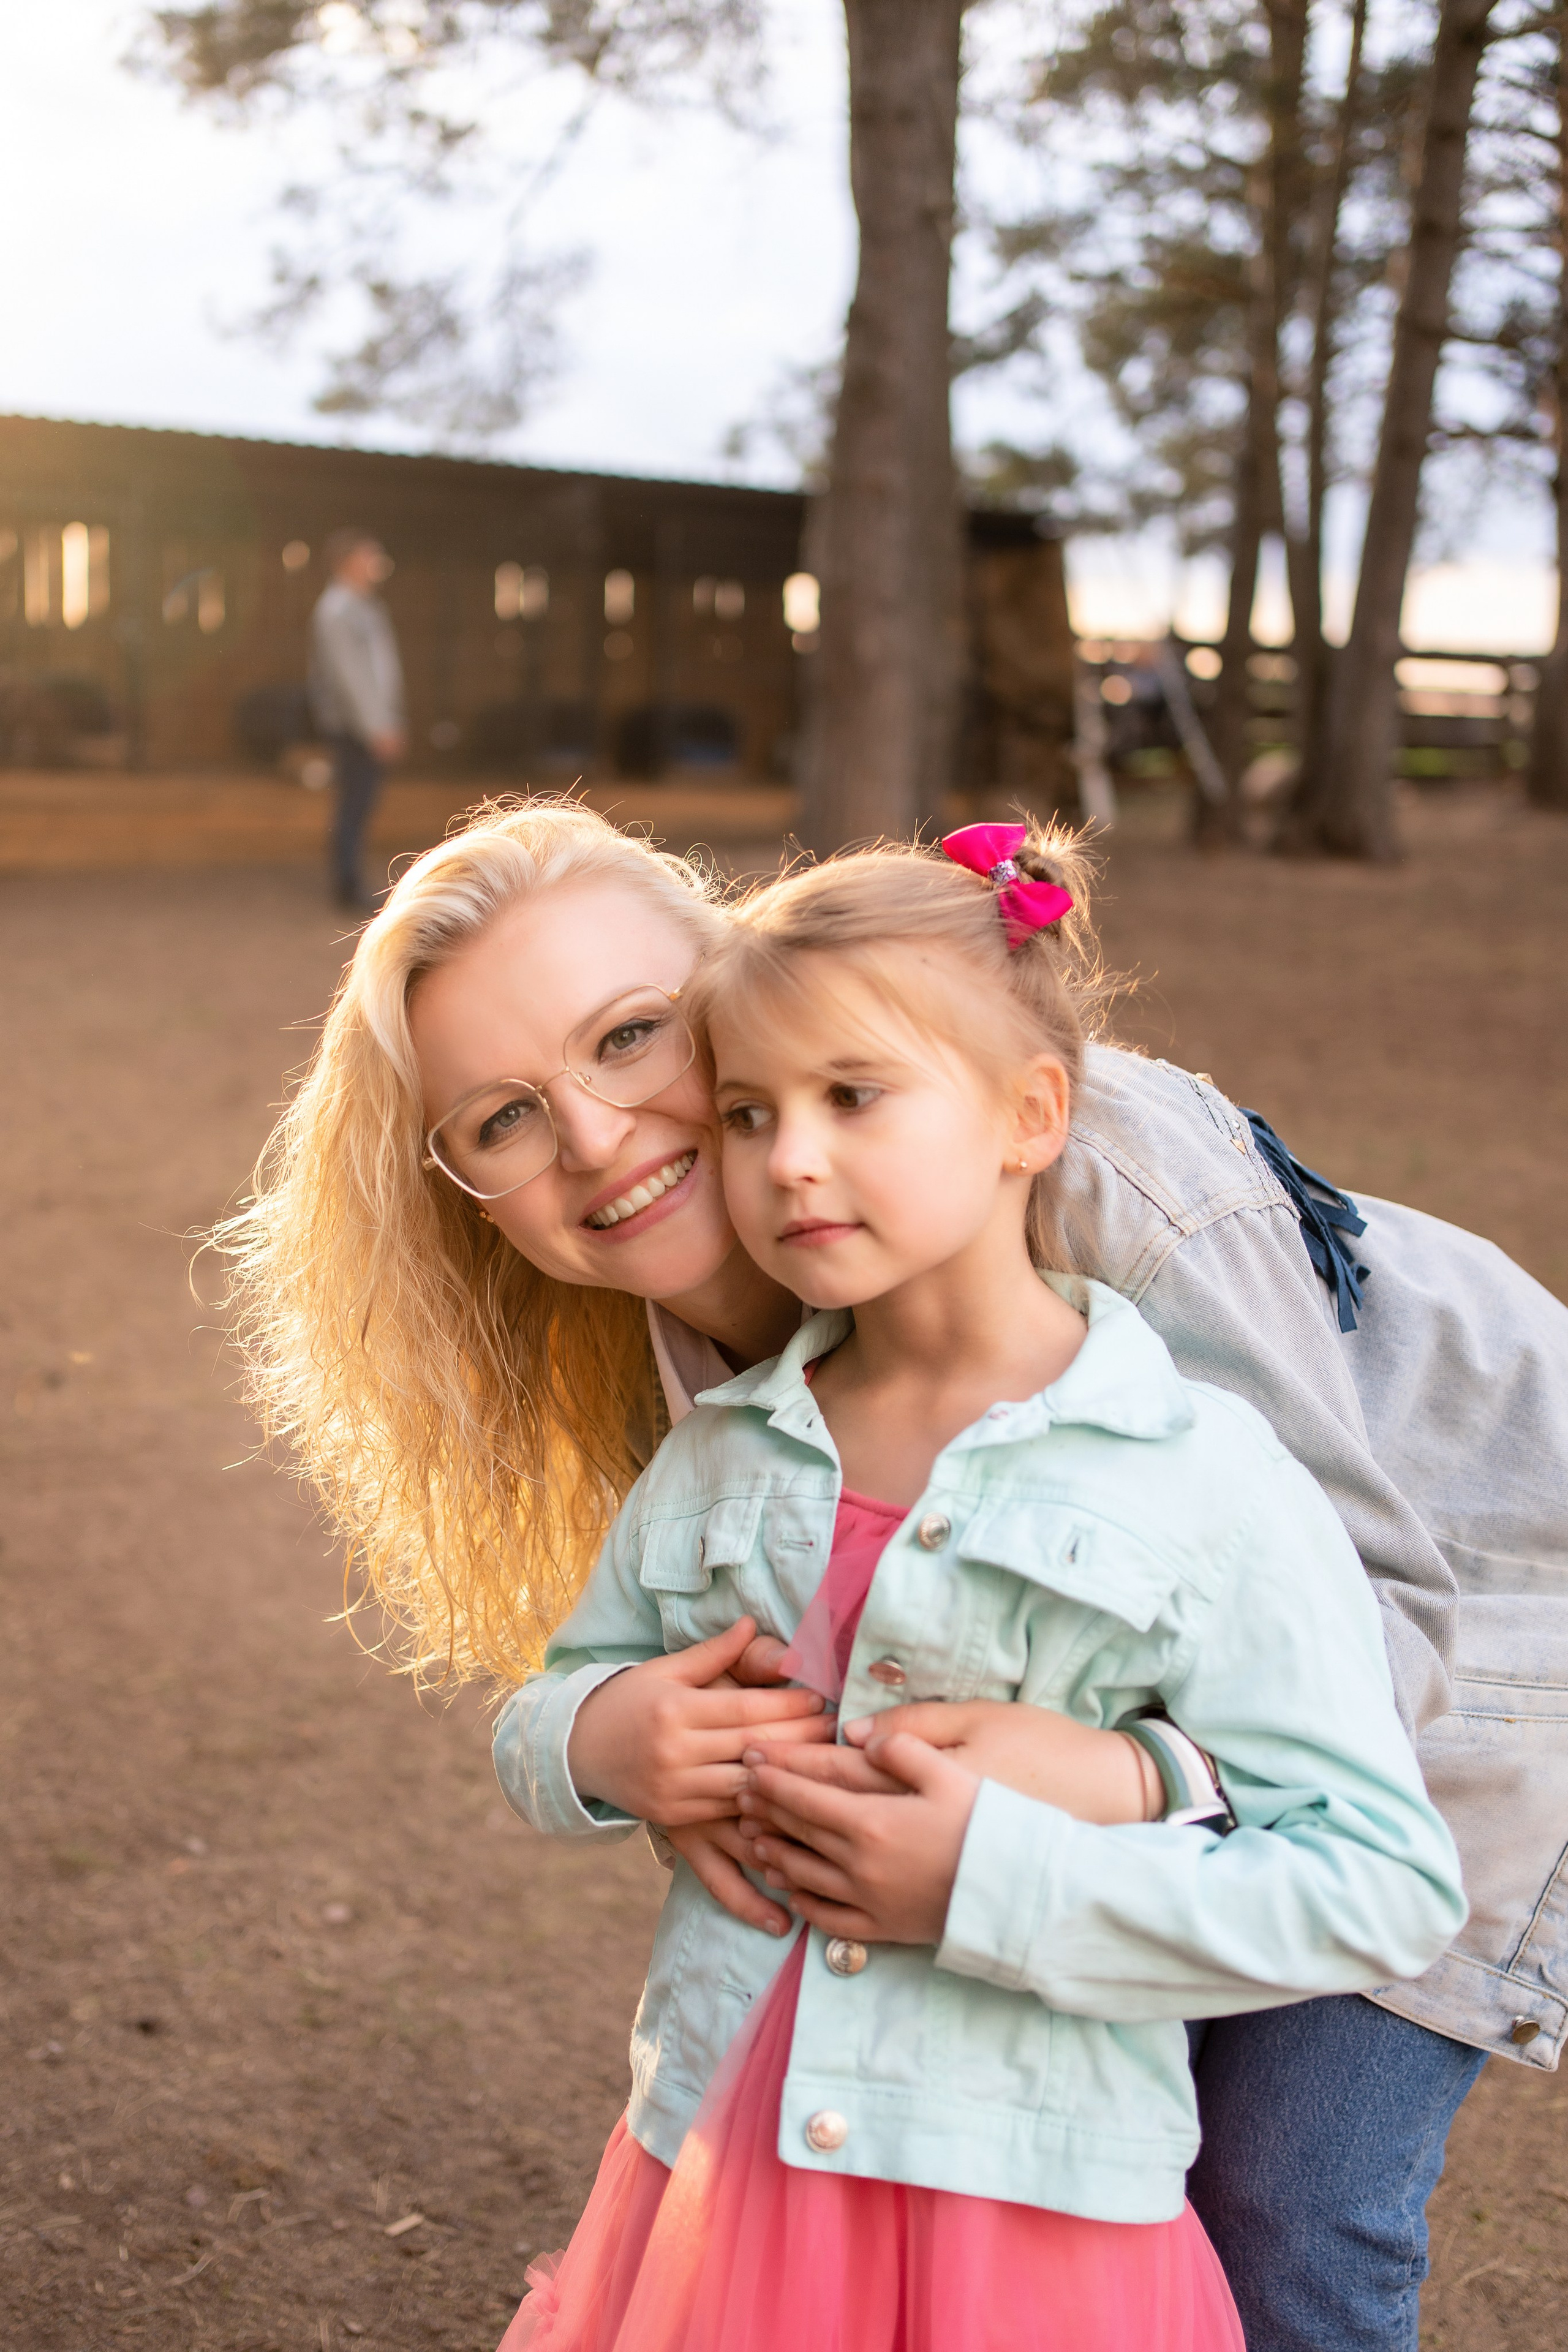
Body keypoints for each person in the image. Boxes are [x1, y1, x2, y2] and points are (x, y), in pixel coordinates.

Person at [223, 797, 1568, 2352]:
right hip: (1203, 1721)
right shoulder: (752, 1310)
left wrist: (1137, 1775)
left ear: (730, 981)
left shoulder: (1091, 1186)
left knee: (1269, 2198)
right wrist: (657, 1748)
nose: (591, 1135)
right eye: (502, 1119)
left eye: (630, 1036)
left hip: (1477, 1649)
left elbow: (1377, 1626)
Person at [307, 527, 407, 910]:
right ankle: (346, 886)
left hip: (369, 725)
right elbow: (349, 676)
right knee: (352, 805)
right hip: (355, 728)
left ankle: (349, 879)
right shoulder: (337, 610)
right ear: (349, 562)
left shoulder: (365, 607)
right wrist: (376, 727)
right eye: (371, 556)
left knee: (359, 804)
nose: (378, 564)